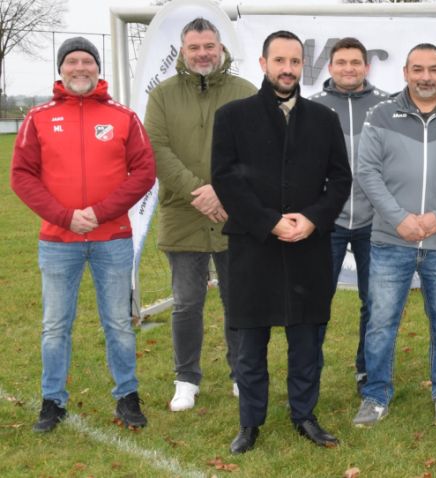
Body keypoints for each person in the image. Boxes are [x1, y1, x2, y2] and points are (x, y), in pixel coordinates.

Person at [211, 30, 352, 454]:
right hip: (254, 245)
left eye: (295, 62)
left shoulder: (324, 119)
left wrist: (312, 219)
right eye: (280, 61)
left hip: (308, 244)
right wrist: (270, 222)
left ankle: (304, 415)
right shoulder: (232, 116)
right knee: (251, 342)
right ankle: (250, 423)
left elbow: (340, 178)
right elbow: (225, 178)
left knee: (307, 339)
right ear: (263, 63)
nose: (288, 69)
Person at [11, 37, 155, 432]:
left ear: (98, 68)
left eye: (86, 61)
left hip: (113, 239)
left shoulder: (124, 117)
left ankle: (127, 395)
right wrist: (64, 216)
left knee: (119, 324)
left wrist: (101, 212)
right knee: (55, 326)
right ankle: (52, 401)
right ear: (61, 69)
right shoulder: (38, 118)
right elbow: (21, 176)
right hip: (58, 242)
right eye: (71, 61)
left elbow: (144, 171)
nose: (79, 68)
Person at [352, 43, 436, 429]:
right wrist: (400, 218)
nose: (426, 77)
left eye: (434, 70)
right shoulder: (381, 114)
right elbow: (367, 171)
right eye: (418, 69)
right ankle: (375, 395)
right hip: (391, 240)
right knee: (380, 323)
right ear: (405, 71)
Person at [145, 17, 257, 411]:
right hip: (183, 213)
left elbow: (257, 150)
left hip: (235, 214)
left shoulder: (245, 92)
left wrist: (223, 192)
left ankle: (242, 374)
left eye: (209, 46)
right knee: (187, 302)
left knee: (238, 299)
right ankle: (186, 379)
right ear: (183, 51)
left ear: (221, 48)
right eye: (194, 48)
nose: (203, 53)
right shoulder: (162, 94)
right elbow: (156, 149)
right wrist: (198, 191)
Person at [307, 37, 388, 394]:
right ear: (330, 66)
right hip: (329, 221)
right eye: (341, 62)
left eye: (356, 62)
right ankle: (309, 370)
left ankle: (367, 370)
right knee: (316, 299)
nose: (349, 69)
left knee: (375, 302)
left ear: (367, 67)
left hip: (376, 221)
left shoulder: (387, 105)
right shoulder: (312, 107)